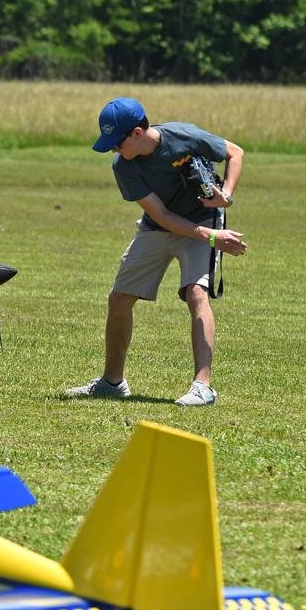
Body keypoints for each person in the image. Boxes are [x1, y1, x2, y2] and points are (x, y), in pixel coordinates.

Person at [64, 97, 247, 406]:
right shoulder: (124, 166)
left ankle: (203, 387)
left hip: (202, 218)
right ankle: (112, 382)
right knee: (119, 298)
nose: (113, 150)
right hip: (161, 226)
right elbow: (161, 215)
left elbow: (235, 152)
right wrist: (212, 238)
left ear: (137, 133)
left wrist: (225, 195)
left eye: (116, 143)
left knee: (197, 293)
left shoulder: (183, 136)